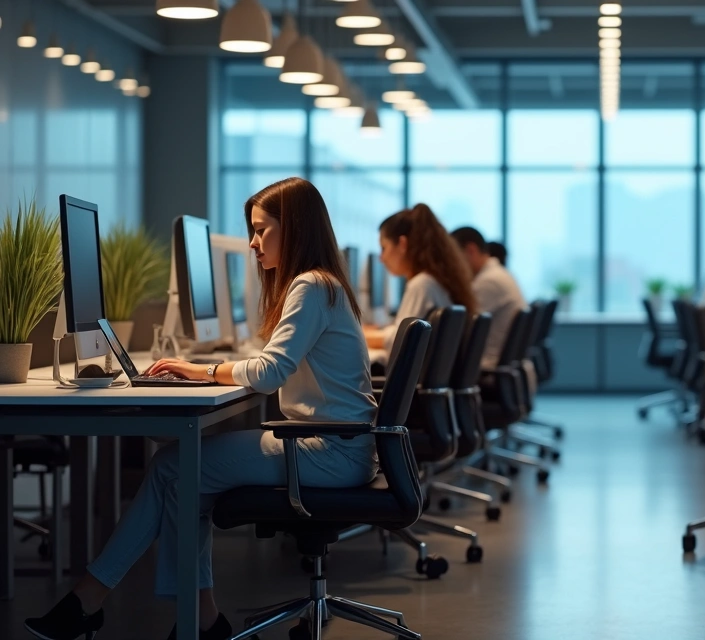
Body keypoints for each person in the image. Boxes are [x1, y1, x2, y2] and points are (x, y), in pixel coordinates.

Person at [25, 177, 379, 640]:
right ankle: (191, 617)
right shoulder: (322, 284)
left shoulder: (311, 286)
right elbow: (275, 366)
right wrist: (208, 368)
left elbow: (271, 372)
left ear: (292, 228)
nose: (253, 243)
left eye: (261, 230)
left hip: (329, 452)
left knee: (174, 468)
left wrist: (202, 371)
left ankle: (98, 600)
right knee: (182, 476)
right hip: (338, 446)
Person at [364, 204, 478, 351]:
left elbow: (399, 341)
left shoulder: (422, 285)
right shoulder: (435, 281)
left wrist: (362, 336)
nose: (381, 258)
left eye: (384, 248)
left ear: (402, 244)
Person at [451, 226, 528, 369]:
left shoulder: (489, 281)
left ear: (470, 251)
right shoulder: (498, 274)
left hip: (488, 367)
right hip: (501, 366)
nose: (454, 266)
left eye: (454, 257)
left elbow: (458, 327)